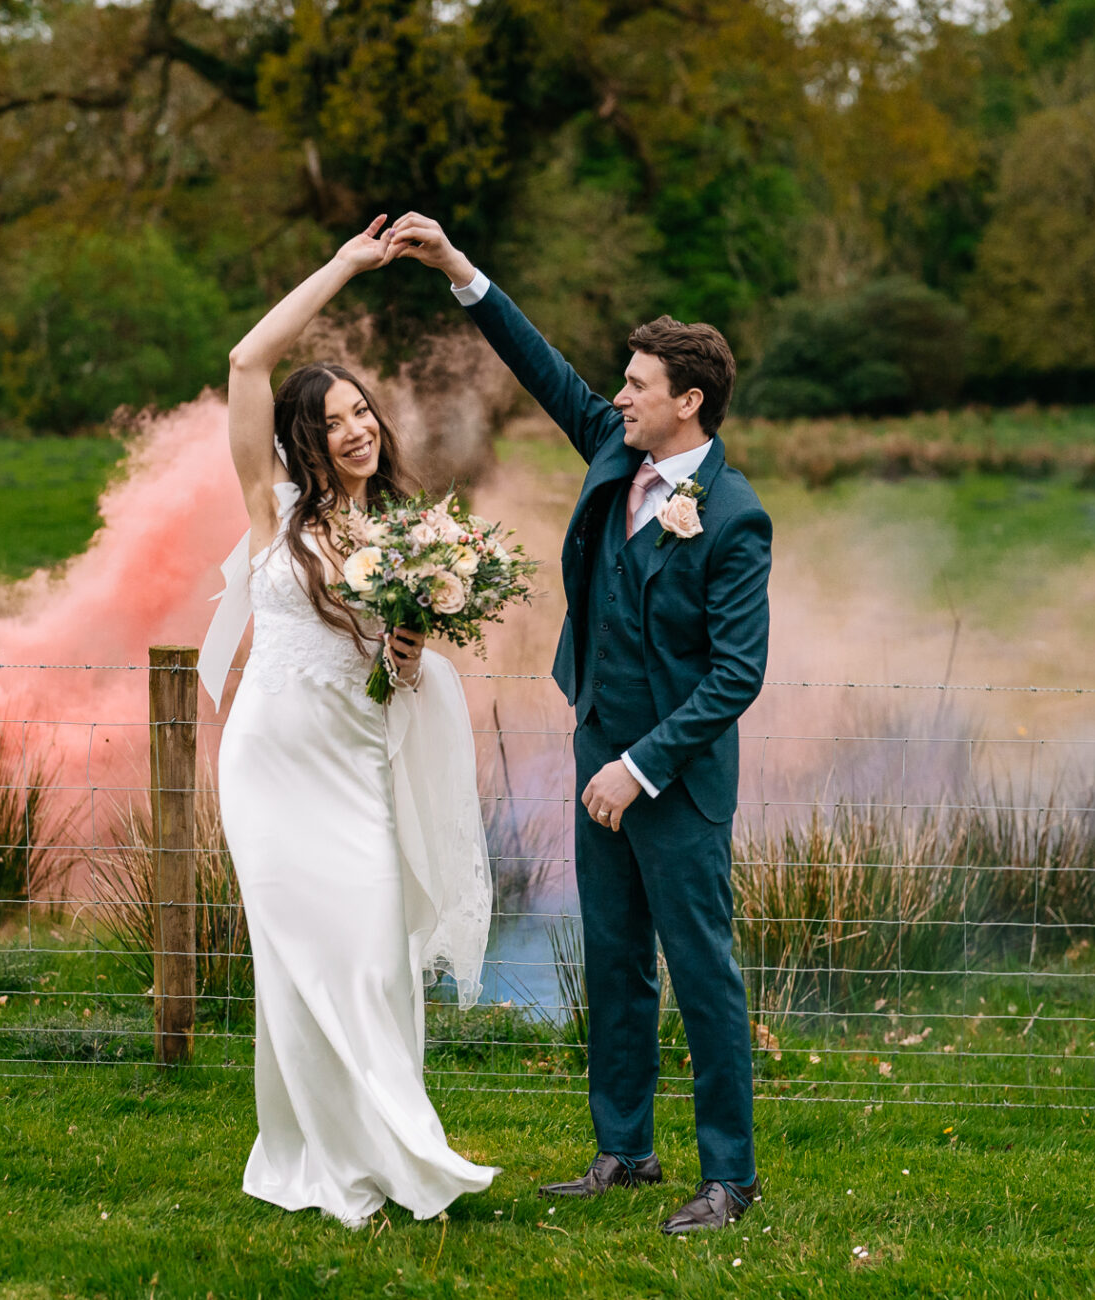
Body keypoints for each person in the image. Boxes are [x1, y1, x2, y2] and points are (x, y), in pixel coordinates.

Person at [387, 212, 773, 1235]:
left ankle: (730, 1177)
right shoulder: (613, 448)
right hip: (596, 741)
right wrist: (461, 269)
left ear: (688, 402)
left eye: (639, 385)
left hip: (675, 781)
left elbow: (737, 674)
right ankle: (625, 1151)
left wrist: (638, 768)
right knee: (611, 957)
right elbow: (543, 365)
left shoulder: (734, 518)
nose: (619, 396)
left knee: (701, 973)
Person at [207, 214, 498, 1228]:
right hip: (270, 767)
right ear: (305, 436)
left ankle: (396, 1146)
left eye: (363, 410)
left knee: (373, 957)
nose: (358, 426)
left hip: (357, 764)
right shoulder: (271, 511)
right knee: (296, 965)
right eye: (335, 417)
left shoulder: (409, 536)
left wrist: (410, 660)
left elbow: (400, 675)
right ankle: (317, 1156)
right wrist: (346, 264)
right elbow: (248, 359)